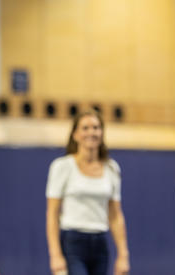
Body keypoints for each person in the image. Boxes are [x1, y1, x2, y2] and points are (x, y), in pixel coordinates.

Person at [45, 110, 130, 275]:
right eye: (85, 128)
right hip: (73, 241)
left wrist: (123, 254)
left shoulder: (112, 168)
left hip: (99, 243)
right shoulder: (62, 167)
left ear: (102, 133)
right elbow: (53, 213)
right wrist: (55, 254)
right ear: (75, 134)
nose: (91, 132)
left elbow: (115, 215)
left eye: (96, 128)